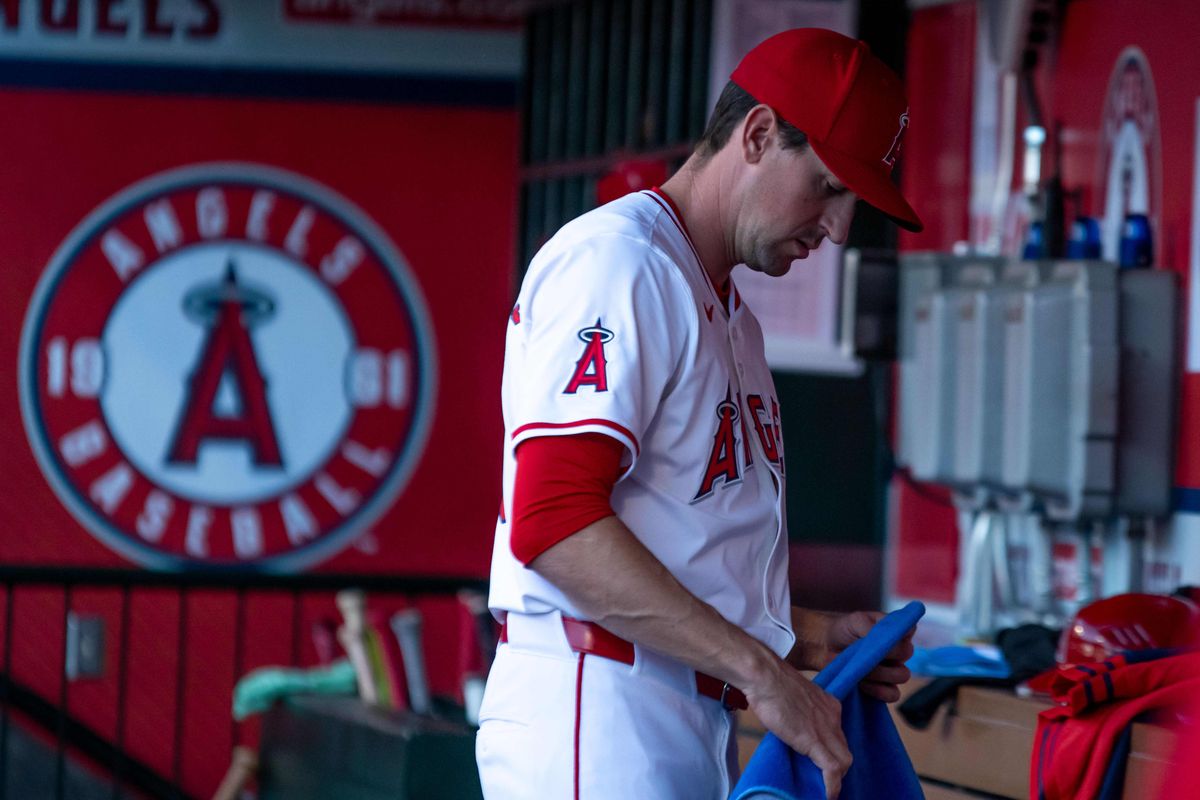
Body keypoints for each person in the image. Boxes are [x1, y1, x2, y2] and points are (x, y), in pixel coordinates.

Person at [477, 28, 923, 800]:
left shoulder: (726, 311)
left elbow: (684, 550)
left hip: (672, 712)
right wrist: (764, 673)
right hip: (596, 708)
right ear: (756, 134)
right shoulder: (622, 263)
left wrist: (812, 638)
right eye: (827, 186)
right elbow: (552, 522)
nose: (840, 227)